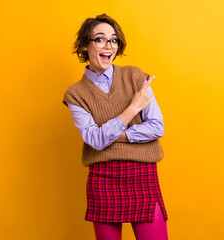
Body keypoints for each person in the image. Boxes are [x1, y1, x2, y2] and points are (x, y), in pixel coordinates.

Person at [62, 13, 168, 240]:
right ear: (84, 46)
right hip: (103, 178)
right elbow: (95, 140)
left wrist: (114, 134)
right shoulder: (75, 94)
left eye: (113, 40)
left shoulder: (135, 76)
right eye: (99, 39)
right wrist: (132, 108)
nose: (108, 45)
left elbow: (157, 127)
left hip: (142, 175)